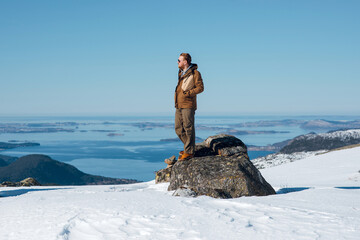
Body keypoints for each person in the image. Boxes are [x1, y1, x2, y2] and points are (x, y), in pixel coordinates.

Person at [174, 53, 204, 161]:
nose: (177, 62)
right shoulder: (180, 73)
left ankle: (189, 151)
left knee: (188, 127)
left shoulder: (195, 73)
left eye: (179, 60)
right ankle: (189, 148)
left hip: (188, 104)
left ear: (185, 62)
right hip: (179, 104)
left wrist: (188, 93)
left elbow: (200, 88)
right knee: (178, 128)